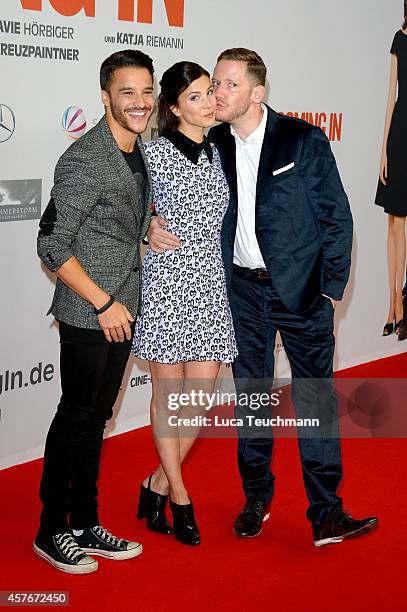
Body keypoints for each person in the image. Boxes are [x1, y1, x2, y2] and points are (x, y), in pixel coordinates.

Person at [148, 48, 378, 547]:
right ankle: (256, 498)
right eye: (214, 87)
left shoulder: (302, 139)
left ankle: (327, 512)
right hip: (241, 293)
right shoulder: (213, 147)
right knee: (253, 401)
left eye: (228, 86)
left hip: (301, 294)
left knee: (316, 401)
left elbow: (337, 218)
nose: (217, 95)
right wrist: (148, 226)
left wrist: (330, 289)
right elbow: (160, 190)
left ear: (257, 92)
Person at [35, 49, 154, 573]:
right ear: (105, 97)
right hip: (91, 314)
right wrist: (102, 302)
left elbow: (116, 222)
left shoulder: (140, 152)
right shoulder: (86, 158)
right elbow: (51, 245)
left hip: (124, 308)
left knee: (97, 419)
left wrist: (149, 232)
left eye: (147, 91)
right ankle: (50, 530)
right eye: (128, 92)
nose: (140, 102)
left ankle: (84, 520)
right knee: (76, 418)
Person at [132, 61, 237, 546]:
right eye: (195, 97)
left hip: (211, 284)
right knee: (168, 398)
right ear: (173, 108)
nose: (209, 101)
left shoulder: (222, 150)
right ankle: (179, 495)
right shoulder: (151, 155)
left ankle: (154, 482)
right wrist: (144, 232)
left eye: (209, 92)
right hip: (168, 283)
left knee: (198, 400)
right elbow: (121, 212)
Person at [375, 3, 407, 339]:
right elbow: (391, 97)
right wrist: (383, 148)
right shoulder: (399, 39)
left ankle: (401, 305)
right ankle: (392, 306)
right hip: (399, 135)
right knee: (394, 222)